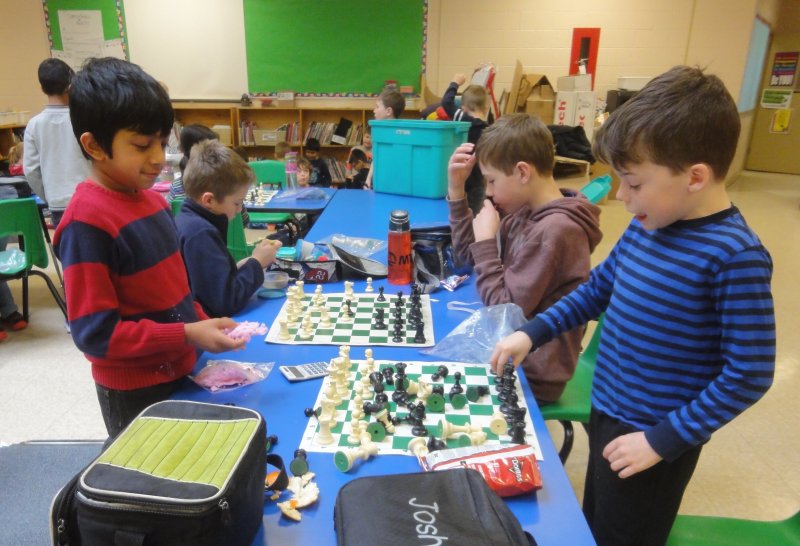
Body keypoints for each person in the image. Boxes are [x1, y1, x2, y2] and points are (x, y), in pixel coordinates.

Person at [489, 66, 776, 546]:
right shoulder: (649, 226)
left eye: (634, 183)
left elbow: (749, 373)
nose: (622, 196)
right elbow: (595, 290)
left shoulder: (734, 256)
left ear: (695, 177)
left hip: (657, 436)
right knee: (595, 526)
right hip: (609, 409)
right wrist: (532, 332)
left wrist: (662, 441)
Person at [53, 57, 246, 438]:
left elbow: (176, 291)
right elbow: (96, 335)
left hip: (182, 368)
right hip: (135, 391)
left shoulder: (155, 203)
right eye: (142, 145)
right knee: (149, 488)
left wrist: (202, 320)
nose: (159, 158)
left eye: (162, 141)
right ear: (94, 146)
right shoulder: (87, 222)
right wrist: (188, 334)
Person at [448, 113, 602, 403]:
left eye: (491, 181)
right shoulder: (524, 212)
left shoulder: (555, 231)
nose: (489, 193)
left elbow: (504, 310)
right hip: (510, 350)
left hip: (532, 372)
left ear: (522, 172)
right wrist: (457, 191)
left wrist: (485, 243)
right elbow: (466, 260)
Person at [175, 140, 281, 317]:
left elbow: (211, 282)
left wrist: (240, 266)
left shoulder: (191, 219)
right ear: (209, 200)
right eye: (237, 203)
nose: (239, 210)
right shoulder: (201, 233)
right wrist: (257, 263)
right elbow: (224, 303)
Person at [23, 58, 91, 229]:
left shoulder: (34, 124)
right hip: (90, 199)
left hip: (58, 203)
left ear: (42, 88)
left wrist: (49, 196)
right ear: (72, 84)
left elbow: (30, 170)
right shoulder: (85, 118)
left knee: (68, 253)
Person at [442, 74, 490, 214]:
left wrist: (455, 83)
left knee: (457, 211)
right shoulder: (489, 129)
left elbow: (446, 102)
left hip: (460, 178)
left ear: (463, 108)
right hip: (478, 182)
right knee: (474, 214)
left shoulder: (464, 120)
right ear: (486, 109)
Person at [366, 89, 406, 189]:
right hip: (382, 182)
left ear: (388, 111)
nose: (374, 110)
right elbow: (376, 157)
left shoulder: (401, 133)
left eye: (377, 107)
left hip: (396, 182)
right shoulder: (379, 131)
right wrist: (369, 178)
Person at [168, 124, 218, 202]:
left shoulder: (177, 186)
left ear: (182, 150)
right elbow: (240, 213)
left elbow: (171, 212)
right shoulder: (224, 184)